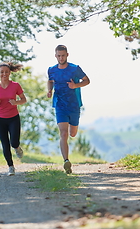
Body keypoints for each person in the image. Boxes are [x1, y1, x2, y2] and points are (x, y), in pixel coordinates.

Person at [47, 45, 90, 174]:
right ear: (55, 56)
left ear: (67, 55)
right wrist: (49, 90)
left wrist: (75, 85)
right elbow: (50, 81)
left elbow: (87, 81)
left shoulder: (75, 69)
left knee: (72, 133)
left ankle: (67, 159)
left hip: (74, 105)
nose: (61, 58)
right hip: (60, 105)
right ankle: (66, 161)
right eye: (58, 56)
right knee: (64, 134)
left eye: (63, 55)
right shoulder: (51, 70)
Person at [0, 62, 27, 176]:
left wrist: (16, 102)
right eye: (2, 72)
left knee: (13, 142)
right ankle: (11, 167)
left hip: (13, 118)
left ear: (10, 73)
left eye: (6, 72)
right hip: (0, 119)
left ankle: (17, 147)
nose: (4, 74)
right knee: (5, 143)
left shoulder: (15, 85)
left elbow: (24, 99)